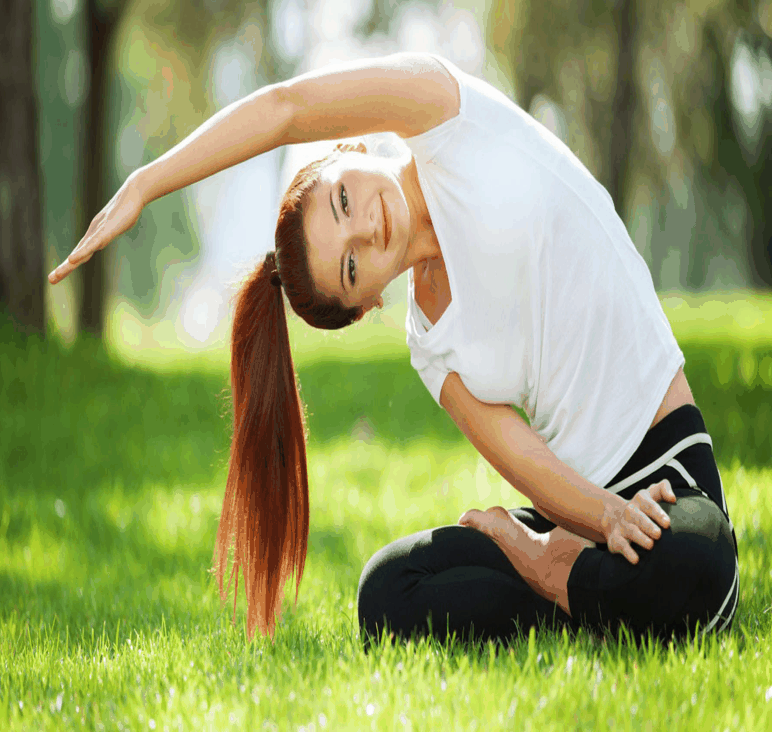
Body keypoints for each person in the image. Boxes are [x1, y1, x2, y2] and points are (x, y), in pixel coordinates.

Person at [49, 53, 739, 643]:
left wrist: (145, 183)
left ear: (347, 155)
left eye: (343, 201)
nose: (366, 229)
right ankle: (568, 575)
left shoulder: (444, 115)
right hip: (579, 510)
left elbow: (287, 106)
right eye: (351, 267)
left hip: (663, 471)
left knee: (701, 572)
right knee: (386, 592)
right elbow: (522, 457)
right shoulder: (431, 343)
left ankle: (551, 571)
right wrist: (599, 517)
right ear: (367, 301)